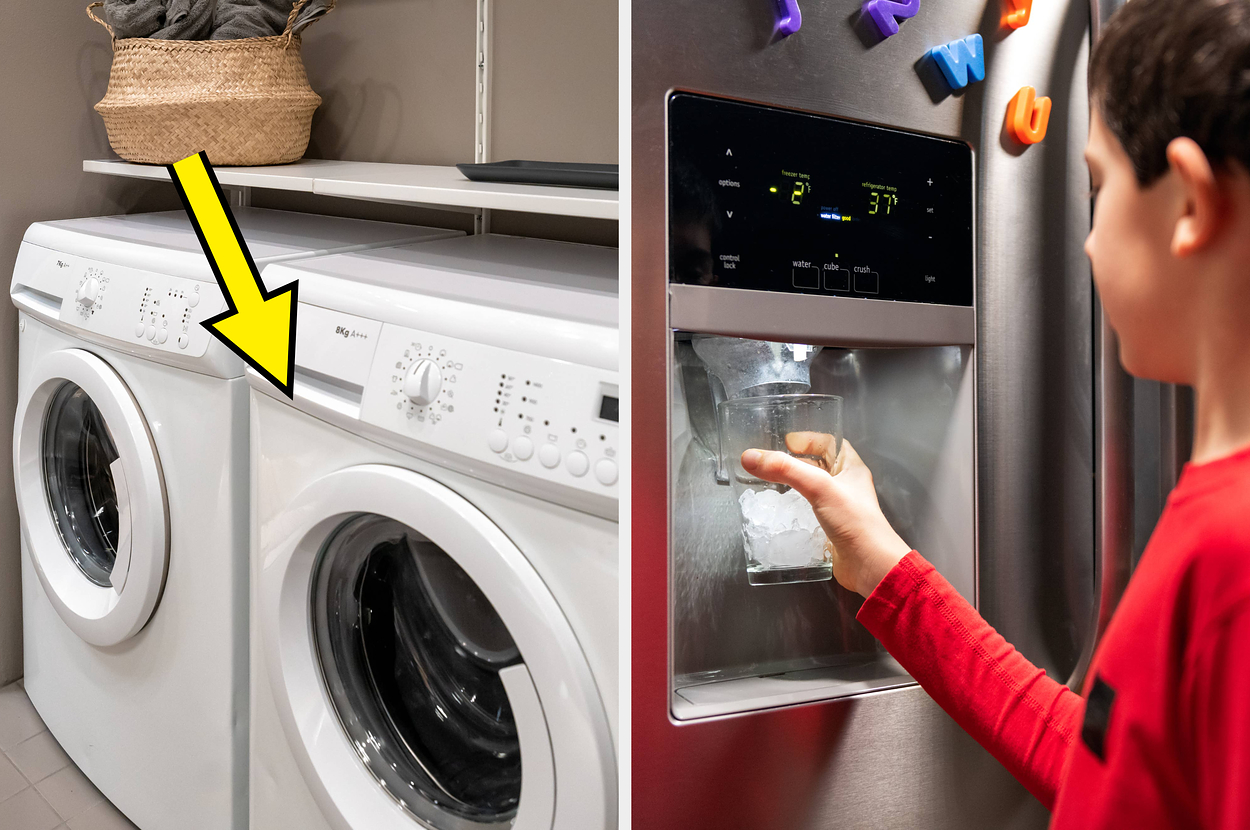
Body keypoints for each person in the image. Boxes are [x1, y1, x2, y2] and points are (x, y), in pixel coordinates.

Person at [741, 0, 1250, 826]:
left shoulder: (1233, 559)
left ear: (1188, 204)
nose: (1086, 240)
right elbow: (1106, 771)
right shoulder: (1218, 516)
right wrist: (884, 569)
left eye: (1099, 185)